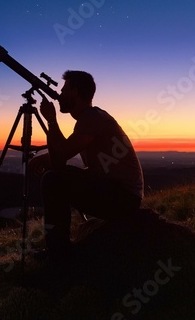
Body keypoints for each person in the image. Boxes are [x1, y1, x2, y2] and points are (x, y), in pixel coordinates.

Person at [29, 70, 144, 260]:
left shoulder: (92, 118)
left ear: (75, 91)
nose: (60, 95)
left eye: (65, 89)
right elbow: (62, 156)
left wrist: (51, 120)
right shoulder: (90, 118)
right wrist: (44, 159)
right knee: (56, 175)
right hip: (118, 191)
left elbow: (62, 154)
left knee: (53, 180)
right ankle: (59, 249)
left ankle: (58, 254)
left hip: (123, 198)